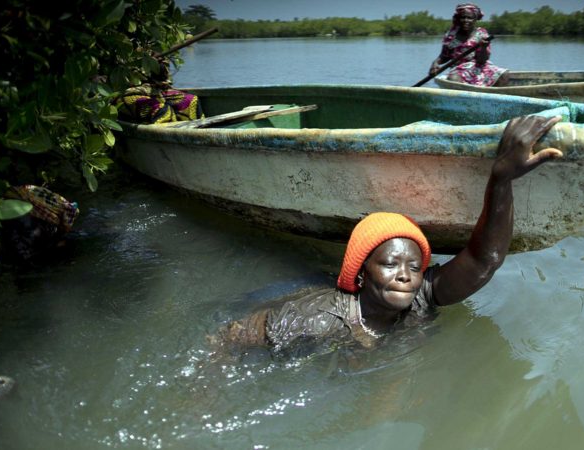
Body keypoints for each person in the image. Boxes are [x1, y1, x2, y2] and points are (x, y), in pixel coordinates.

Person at [213, 115, 563, 354]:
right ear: (362, 272)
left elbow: (484, 260)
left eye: (414, 267)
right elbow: (225, 339)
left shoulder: (421, 297)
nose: (405, 276)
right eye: (391, 264)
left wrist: (502, 178)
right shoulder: (315, 319)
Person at [428, 3, 509, 87]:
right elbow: (445, 55)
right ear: (459, 18)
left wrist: (483, 48)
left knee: (504, 74)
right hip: (459, 68)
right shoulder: (452, 35)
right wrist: (435, 63)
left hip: (479, 67)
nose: (466, 20)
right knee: (454, 79)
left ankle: (495, 96)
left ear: (475, 19)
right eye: (463, 17)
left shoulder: (481, 34)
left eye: (469, 18)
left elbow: (482, 60)